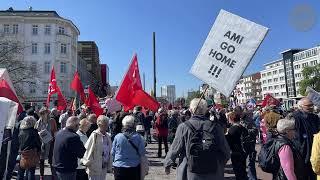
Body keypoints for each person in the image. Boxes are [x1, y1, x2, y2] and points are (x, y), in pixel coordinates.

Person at [164, 98, 230, 180]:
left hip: (190, 172)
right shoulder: (216, 127)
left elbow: (175, 148)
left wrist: (167, 163)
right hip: (213, 171)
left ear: (191, 110)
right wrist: (220, 164)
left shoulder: (184, 127)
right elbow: (226, 151)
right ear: (206, 110)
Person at [111, 115, 147, 180]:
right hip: (134, 167)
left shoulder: (118, 137)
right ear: (133, 124)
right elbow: (142, 153)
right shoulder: (138, 137)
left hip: (119, 167)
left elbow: (113, 153)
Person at [293, 97, 320, 180]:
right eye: (308, 105)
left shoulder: (314, 117)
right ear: (301, 106)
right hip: (303, 152)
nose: (312, 107)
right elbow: (295, 137)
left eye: (312, 105)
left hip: (315, 149)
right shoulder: (295, 118)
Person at [82, 115, 112, 180]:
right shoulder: (94, 135)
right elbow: (88, 150)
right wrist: (88, 163)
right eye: (105, 124)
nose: (107, 126)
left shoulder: (108, 136)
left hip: (104, 166)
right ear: (99, 124)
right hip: (94, 168)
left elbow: (109, 151)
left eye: (107, 124)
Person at [34, 107, 57, 180]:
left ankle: (53, 175)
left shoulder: (52, 121)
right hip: (42, 144)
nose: (42, 115)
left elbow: (55, 131)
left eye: (44, 113)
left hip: (51, 143)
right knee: (41, 160)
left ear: (47, 113)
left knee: (51, 160)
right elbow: (35, 132)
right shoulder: (38, 122)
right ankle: (41, 176)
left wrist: (54, 138)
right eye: (41, 113)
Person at [17, 116, 41, 180]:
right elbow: (38, 143)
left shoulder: (21, 131)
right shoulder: (34, 131)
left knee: (21, 171)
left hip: (22, 153)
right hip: (31, 153)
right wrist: (39, 150)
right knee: (31, 171)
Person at [226, 111, 248, 180]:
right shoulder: (243, 127)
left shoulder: (232, 129)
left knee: (238, 173)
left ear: (231, 119)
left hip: (236, 152)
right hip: (243, 152)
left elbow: (228, 142)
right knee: (243, 171)